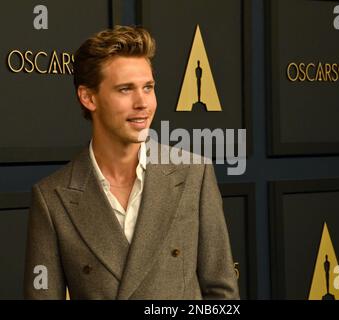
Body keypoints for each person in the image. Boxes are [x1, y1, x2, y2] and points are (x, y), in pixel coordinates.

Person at [24, 25, 239, 300]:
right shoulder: (52, 198)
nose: (143, 103)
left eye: (148, 88)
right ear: (88, 97)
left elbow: (222, 293)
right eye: (125, 89)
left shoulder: (194, 174)